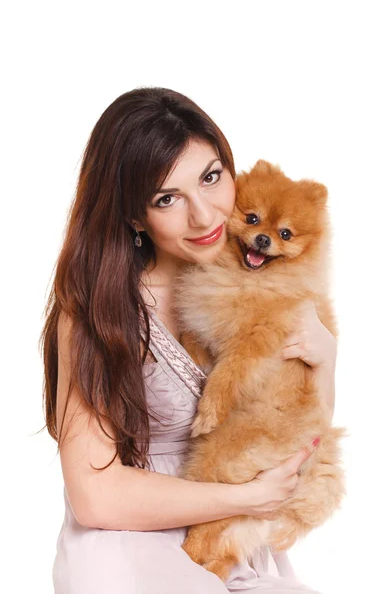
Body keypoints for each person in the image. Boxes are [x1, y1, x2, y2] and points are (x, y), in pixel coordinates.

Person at [41, 86, 337, 593]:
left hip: (234, 546)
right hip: (131, 552)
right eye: (167, 198)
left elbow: (294, 425)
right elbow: (94, 495)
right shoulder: (103, 310)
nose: (204, 216)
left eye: (211, 177)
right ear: (134, 216)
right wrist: (245, 499)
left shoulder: (264, 278)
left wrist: (326, 357)